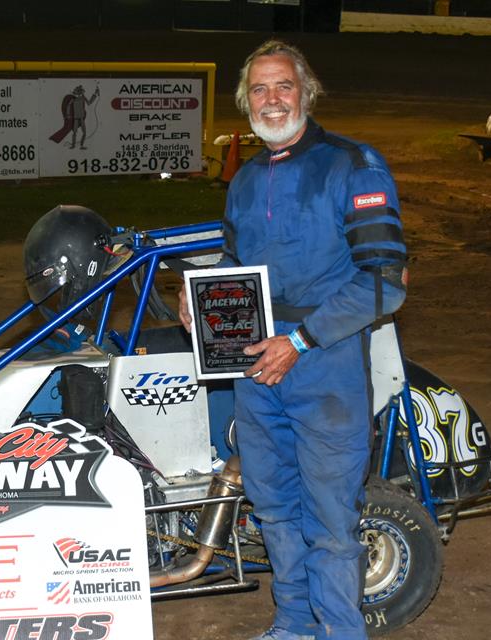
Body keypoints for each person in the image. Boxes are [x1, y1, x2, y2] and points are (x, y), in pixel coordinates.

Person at [179, 40, 408, 640]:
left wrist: (300, 342)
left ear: (306, 91)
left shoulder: (352, 164)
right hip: (254, 365)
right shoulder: (247, 180)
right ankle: (294, 623)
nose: (272, 99)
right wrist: (198, 300)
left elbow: (385, 284)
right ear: (244, 101)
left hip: (324, 362)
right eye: (259, 89)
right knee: (274, 505)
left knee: (331, 518)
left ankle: (339, 631)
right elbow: (235, 263)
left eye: (283, 86)